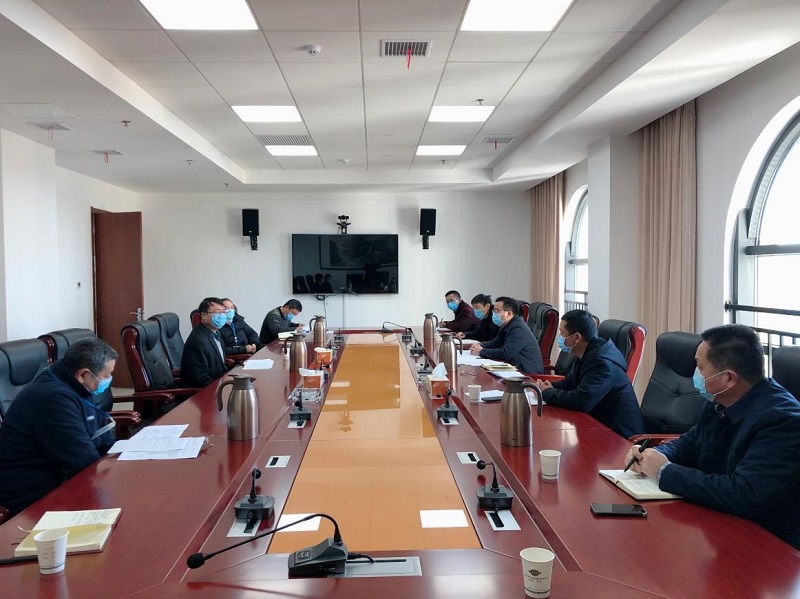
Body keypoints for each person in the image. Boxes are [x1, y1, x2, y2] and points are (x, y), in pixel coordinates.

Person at [626, 324, 800, 549]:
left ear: (728, 378)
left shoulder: (782, 421)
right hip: (717, 522)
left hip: (765, 544)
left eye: (700, 367)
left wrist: (663, 471)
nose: (695, 374)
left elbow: (744, 494)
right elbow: (691, 442)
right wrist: (653, 454)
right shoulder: (720, 399)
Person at [0, 338, 117, 515]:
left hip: (58, 477)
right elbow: (82, 462)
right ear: (83, 374)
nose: (109, 380)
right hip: (31, 493)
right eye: (106, 375)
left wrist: (117, 455)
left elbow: (98, 426)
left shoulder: (72, 383)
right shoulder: (53, 399)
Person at [533, 310, 644, 437]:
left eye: (562, 333)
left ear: (577, 337)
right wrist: (549, 385)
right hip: (597, 425)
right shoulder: (588, 352)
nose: (560, 337)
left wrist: (548, 392)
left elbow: (582, 401)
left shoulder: (602, 364)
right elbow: (572, 381)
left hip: (619, 436)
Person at [470, 296, 544, 374]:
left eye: (497, 311)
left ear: (509, 313)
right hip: (514, 368)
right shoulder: (507, 324)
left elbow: (506, 353)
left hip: (527, 374)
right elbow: (496, 343)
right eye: (493, 311)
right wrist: (480, 345)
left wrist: (481, 351)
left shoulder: (518, 328)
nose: (494, 314)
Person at [181, 297, 229, 387]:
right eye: (217, 312)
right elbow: (200, 379)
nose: (222, 316)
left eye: (223, 312)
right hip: (204, 390)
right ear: (203, 315)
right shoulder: (198, 341)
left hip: (218, 382)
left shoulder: (216, 333)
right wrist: (222, 387)